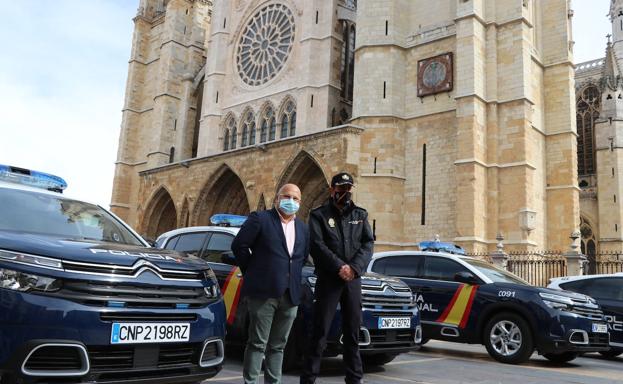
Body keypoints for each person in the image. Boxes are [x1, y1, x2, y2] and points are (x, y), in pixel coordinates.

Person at [232, 183, 310, 384]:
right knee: (258, 343)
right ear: (277, 199)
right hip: (263, 293)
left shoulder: (302, 228)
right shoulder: (260, 219)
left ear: (300, 203)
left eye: (295, 198)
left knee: (278, 346)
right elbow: (239, 246)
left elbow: (299, 259)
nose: (291, 201)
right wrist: (252, 273)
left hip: (290, 296)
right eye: (286, 196)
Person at [300, 172, 374, 384]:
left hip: (352, 280)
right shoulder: (319, 215)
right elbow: (317, 245)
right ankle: (308, 379)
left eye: (349, 188)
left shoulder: (360, 214)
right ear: (332, 189)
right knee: (320, 331)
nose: (345, 192)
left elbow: (367, 244)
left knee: (352, 332)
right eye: (341, 188)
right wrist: (339, 267)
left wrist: (354, 268)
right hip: (329, 279)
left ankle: (354, 379)